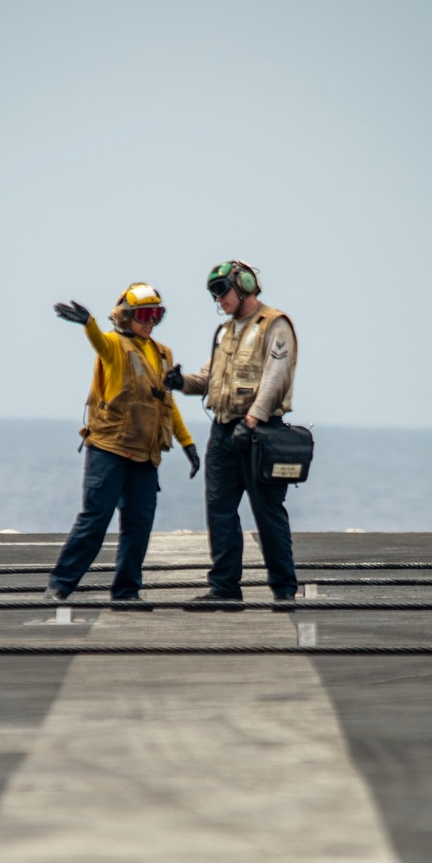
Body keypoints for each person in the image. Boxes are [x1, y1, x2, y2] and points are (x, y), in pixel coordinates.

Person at [46, 284, 200, 607]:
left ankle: (127, 591)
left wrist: (187, 443)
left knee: (138, 526)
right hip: (109, 450)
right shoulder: (114, 345)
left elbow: (167, 403)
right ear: (126, 317)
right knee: (94, 520)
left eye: (156, 314)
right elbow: (99, 342)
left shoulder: (163, 354)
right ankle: (59, 585)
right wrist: (89, 323)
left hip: (145, 456)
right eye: (144, 314)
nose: (150, 321)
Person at [166, 260, 298, 607]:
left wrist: (252, 419)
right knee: (219, 510)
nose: (218, 299)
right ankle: (225, 588)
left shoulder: (276, 325)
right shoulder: (225, 332)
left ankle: (284, 590)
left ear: (245, 285)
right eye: (214, 293)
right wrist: (181, 383)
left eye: (222, 290)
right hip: (223, 432)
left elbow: (275, 377)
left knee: (268, 512)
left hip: (260, 434)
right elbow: (210, 378)